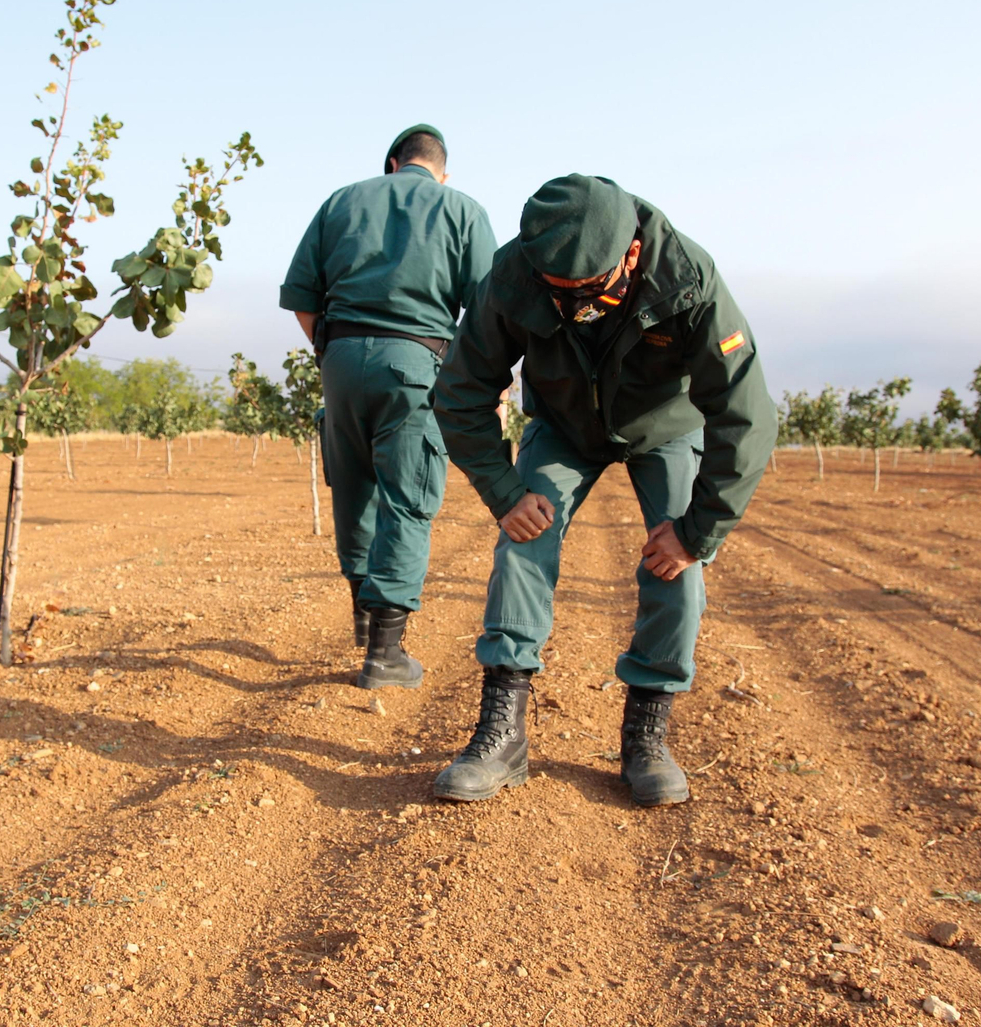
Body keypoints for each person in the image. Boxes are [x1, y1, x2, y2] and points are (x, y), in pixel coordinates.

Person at [431, 174, 777, 805]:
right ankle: (502, 735)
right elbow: (459, 391)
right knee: (523, 541)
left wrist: (697, 532)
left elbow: (745, 414)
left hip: (663, 426)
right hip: (564, 425)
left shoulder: (687, 278)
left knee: (678, 565)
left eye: (590, 293)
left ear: (632, 255)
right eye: (558, 295)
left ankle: (647, 737)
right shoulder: (513, 275)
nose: (574, 309)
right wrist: (505, 492)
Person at [280, 125, 496, 689]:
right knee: (407, 498)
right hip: (417, 364)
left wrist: (333, 353)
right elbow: (487, 315)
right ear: (441, 173)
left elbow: (301, 298)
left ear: (393, 164)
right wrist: (488, 394)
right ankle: (385, 654)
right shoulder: (462, 209)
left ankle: (362, 615)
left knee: (353, 487)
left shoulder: (342, 200)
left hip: (341, 358)